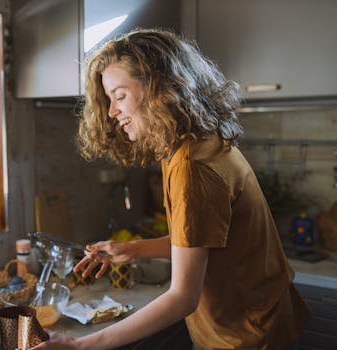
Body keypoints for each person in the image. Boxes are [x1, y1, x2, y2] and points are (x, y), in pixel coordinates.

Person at [31, 28, 311, 350]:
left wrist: (80, 346)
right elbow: (204, 239)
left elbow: (182, 298)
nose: (111, 112)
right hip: (258, 318)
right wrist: (134, 250)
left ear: (160, 87)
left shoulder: (192, 166)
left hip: (244, 335)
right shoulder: (192, 142)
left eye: (120, 96)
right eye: (109, 99)